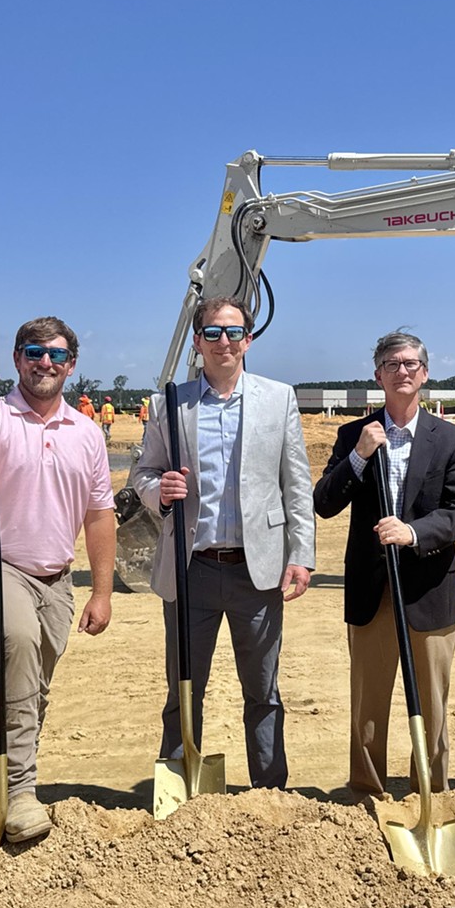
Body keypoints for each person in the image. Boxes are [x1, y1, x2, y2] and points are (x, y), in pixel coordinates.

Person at [0, 317, 114, 842]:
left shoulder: (87, 433)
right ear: (17, 359)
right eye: (34, 352)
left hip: (56, 578)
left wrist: (101, 591)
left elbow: (99, 515)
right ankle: (23, 792)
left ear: (72, 365)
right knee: (19, 641)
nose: (45, 363)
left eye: (56, 355)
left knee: (30, 682)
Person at [131, 296, 316, 789]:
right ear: (198, 342)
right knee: (184, 690)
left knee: (263, 691)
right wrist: (158, 491)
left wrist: (302, 555)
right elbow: (142, 474)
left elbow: (296, 484)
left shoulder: (278, 399)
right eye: (212, 333)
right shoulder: (169, 404)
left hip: (258, 570)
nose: (224, 342)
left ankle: (270, 791)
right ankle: (180, 786)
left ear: (248, 340)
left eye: (233, 333)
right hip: (190, 572)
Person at [313, 331, 455, 798]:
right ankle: (366, 792)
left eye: (410, 363)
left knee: (431, 705)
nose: (402, 371)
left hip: (430, 590)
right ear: (378, 375)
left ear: (424, 374)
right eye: (391, 363)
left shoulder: (452, 439)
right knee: (368, 704)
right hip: (371, 591)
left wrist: (415, 533)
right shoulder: (354, 435)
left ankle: (431, 793)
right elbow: (324, 503)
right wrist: (359, 456)